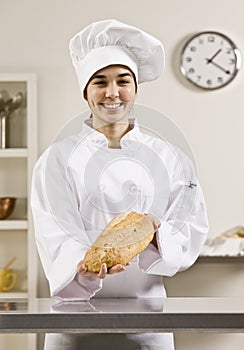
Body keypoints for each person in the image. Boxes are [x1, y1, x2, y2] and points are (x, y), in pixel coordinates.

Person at [31, 19, 208, 350]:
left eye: (122, 81)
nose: (112, 92)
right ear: (85, 91)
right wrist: (83, 264)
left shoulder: (170, 158)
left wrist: (157, 234)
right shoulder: (56, 159)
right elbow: (53, 233)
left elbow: (190, 230)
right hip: (75, 321)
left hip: (148, 320)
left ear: (136, 88)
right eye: (100, 82)